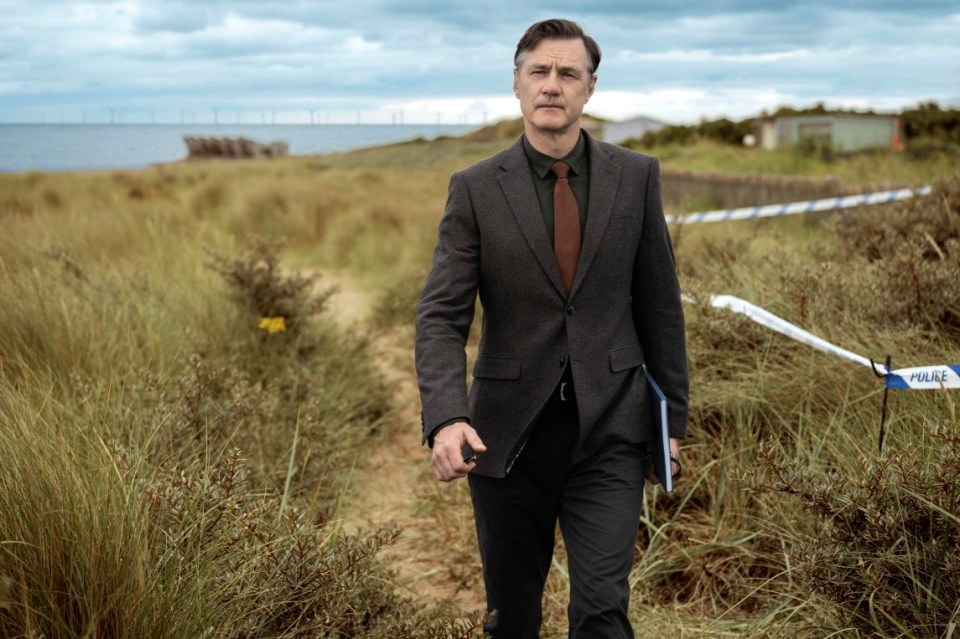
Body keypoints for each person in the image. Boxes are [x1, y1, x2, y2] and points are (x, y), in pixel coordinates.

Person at [415, 18, 688, 638]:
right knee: (511, 618)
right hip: (505, 437)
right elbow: (441, 315)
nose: (552, 84)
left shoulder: (636, 176)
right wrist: (446, 414)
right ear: (516, 85)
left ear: (590, 89)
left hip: (611, 431)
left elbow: (659, 305)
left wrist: (671, 422)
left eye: (568, 73)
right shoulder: (476, 189)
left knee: (601, 610)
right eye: (538, 71)